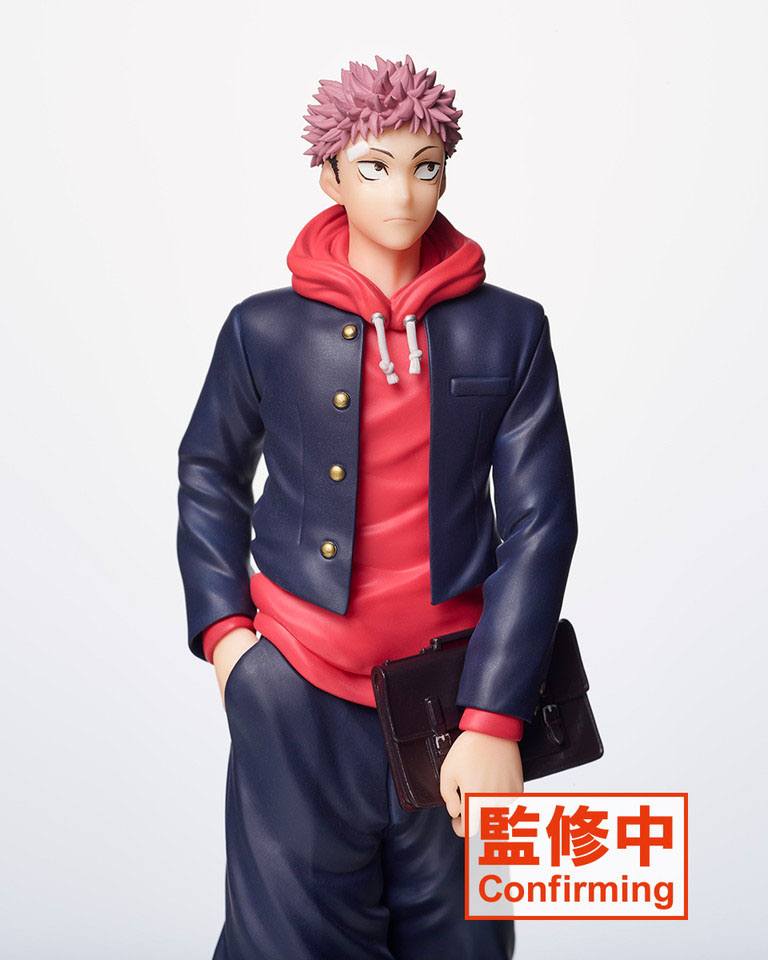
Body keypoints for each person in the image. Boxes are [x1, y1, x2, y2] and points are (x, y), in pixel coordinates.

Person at [177, 53, 577, 960]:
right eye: (374, 166)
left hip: (455, 697)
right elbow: (208, 469)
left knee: (464, 942)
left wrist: (495, 717)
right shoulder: (262, 328)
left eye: (425, 166)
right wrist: (228, 640)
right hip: (295, 685)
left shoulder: (511, 329)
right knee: (287, 943)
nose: (403, 191)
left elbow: (542, 524)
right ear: (329, 176)